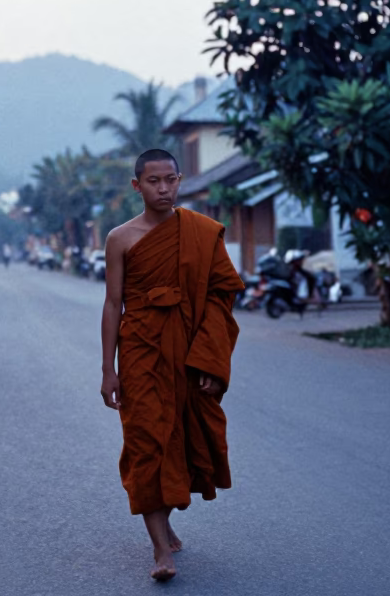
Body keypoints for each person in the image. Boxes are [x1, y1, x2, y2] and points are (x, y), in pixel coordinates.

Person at [99, 149, 245, 582]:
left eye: (170, 180)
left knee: (178, 435)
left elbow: (221, 295)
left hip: (186, 346)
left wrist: (208, 356)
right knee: (146, 438)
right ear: (136, 186)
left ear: (180, 180)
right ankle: (161, 549)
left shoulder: (199, 232)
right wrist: (109, 368)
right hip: (141, 345)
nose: (163, 189)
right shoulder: (120, 238)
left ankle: (165, 523)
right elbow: (112, 303)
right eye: (153, 181)